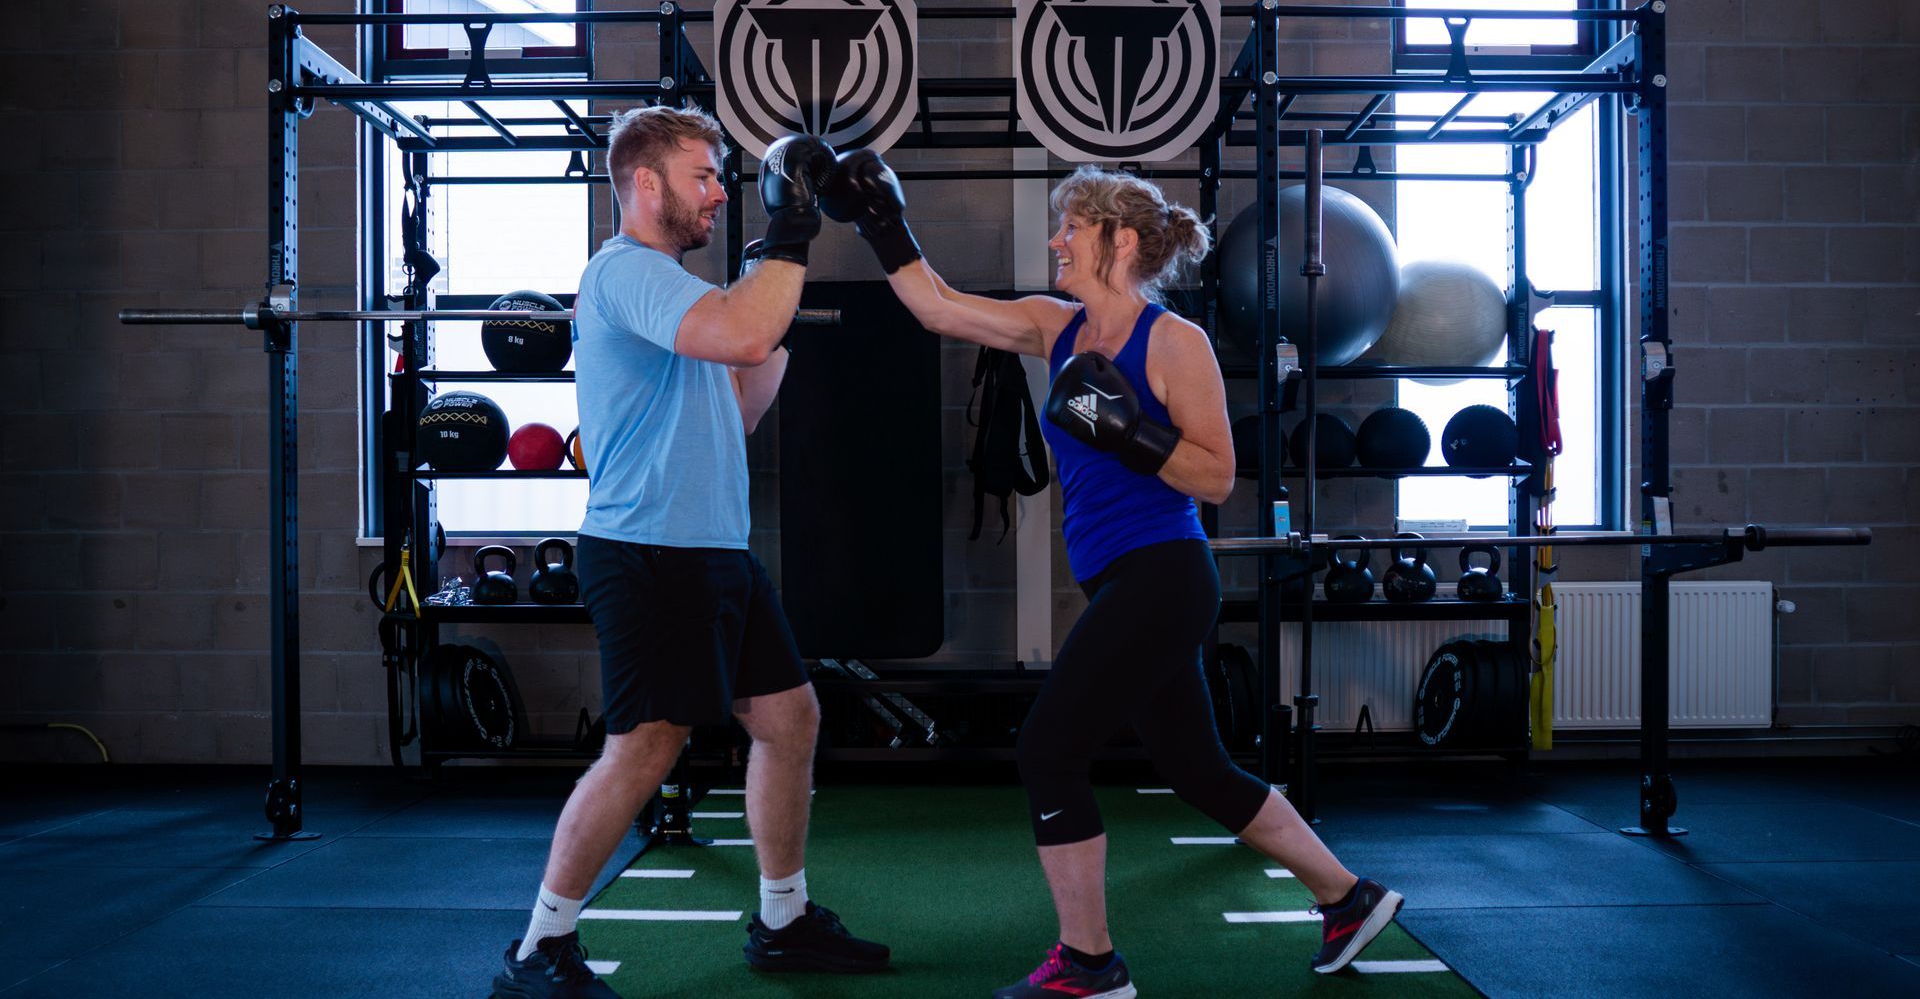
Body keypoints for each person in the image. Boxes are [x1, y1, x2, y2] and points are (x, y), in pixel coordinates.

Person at [821, 154, 1402, 996]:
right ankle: (1349, 898)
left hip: (1163, 574)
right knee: (1199, 770)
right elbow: (937, 307)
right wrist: (880, 219)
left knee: (1048, 747)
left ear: (1119, 240)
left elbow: (1215, 478)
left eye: (1071, 228)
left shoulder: (1174, 341)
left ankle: (1091, 963)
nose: (1056, 241)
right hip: (1118, 581)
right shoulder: (1053, 327)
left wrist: (1129, 432)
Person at [491, 107, 890, 999]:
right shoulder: (627, 272)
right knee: (644, 747)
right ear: (645, 183)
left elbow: (743, 394)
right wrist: (789, 235)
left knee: (790, 723)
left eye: (720, 176)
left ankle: (783, 920)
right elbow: (744, 334)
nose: (718, 190)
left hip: (714, 552)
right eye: (704, 174)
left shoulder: (682, 295)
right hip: (649, 552)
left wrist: (769, 279)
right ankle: (538, 949)